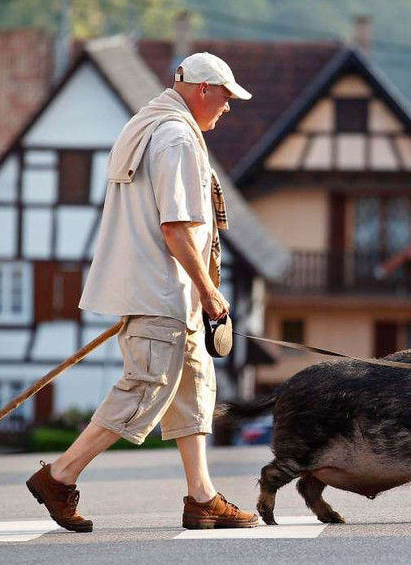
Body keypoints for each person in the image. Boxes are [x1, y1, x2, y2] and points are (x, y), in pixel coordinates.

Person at [25, 52, 259, 533]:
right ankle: (59, 475)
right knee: (145, 386)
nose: (228, 107)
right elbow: (175, 229)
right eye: (226, 97)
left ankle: (202, 497)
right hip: (163, 291)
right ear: (202, 90)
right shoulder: (176, 138)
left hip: (164, 291)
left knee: (193, 388)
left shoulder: (149, 124)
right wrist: (211, 292)